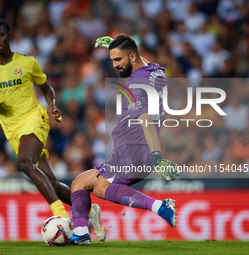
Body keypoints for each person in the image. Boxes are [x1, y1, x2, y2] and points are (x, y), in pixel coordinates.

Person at [0, 18, 105, 241]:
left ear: (8, 36)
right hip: (12, 130)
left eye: (0, 35)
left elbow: (47, 89)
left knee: (25, 163)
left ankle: (62, 216)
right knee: (52, 182)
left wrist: (52, 105)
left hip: (34, 118)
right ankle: (91, 212)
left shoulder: (27, 63)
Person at [69, 35, 179, 245]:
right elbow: (141, 58)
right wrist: (115, 43)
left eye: (118, 59)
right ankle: (81, 233)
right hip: (132, 148)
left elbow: (145, 120)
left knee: (101, 189)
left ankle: (160, 207)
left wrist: (157, 156)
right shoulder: (153, 70)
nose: (115, 65)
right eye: (112, 59)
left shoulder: (137, 83)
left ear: (132, 57)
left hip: (134, 149)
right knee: (79, 183)